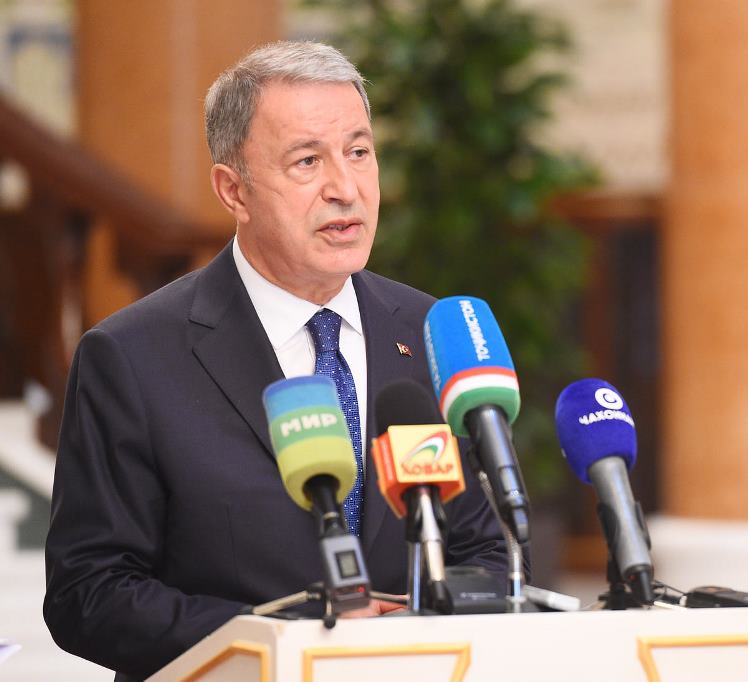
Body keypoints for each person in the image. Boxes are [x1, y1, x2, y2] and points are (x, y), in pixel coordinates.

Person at [43, 41, 508, 681]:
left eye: (359, 152)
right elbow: (89, 595)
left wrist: (421, 624)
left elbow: (484, 551)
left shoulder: (429, 333)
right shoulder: (132, 356)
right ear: (234, 190)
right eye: (307, 161)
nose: (345, 188)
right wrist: (285, 641)